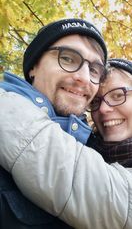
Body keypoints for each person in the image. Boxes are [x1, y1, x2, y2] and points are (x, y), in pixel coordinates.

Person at [0, 59, 132, 228]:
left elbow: (111, 197)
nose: (103, 109)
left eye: (118, 95)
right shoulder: (90, 152)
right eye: (96, 102)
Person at [0, 18, 108, 229]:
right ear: (34, 66)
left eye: (95, 70)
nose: (84, 78)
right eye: (67, 58)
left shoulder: (98, 150)